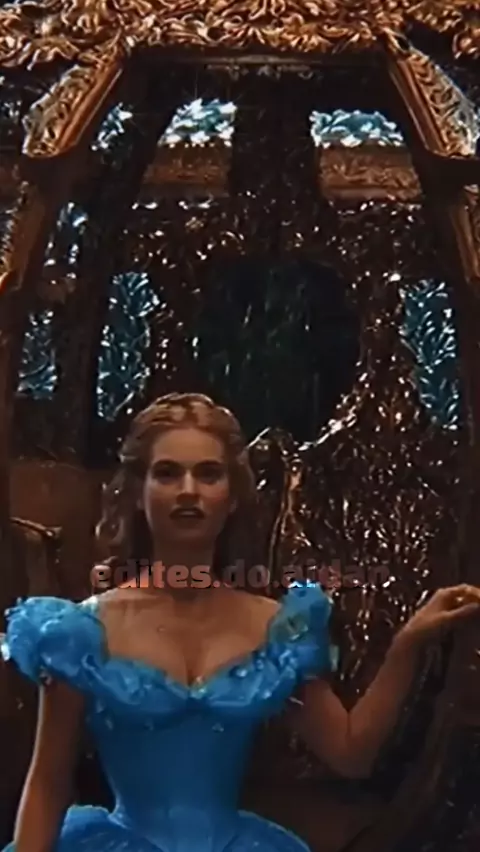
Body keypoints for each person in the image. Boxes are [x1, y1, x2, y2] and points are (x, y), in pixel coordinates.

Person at [2, 392, 480, 852]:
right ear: (138, 493)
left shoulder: (276, 627)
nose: (188, 491)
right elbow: (47, 783)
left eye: (208, 473)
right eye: (167, 473)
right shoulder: (80, 632)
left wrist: (408, 645)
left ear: (232, 496)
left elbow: (351, 754)